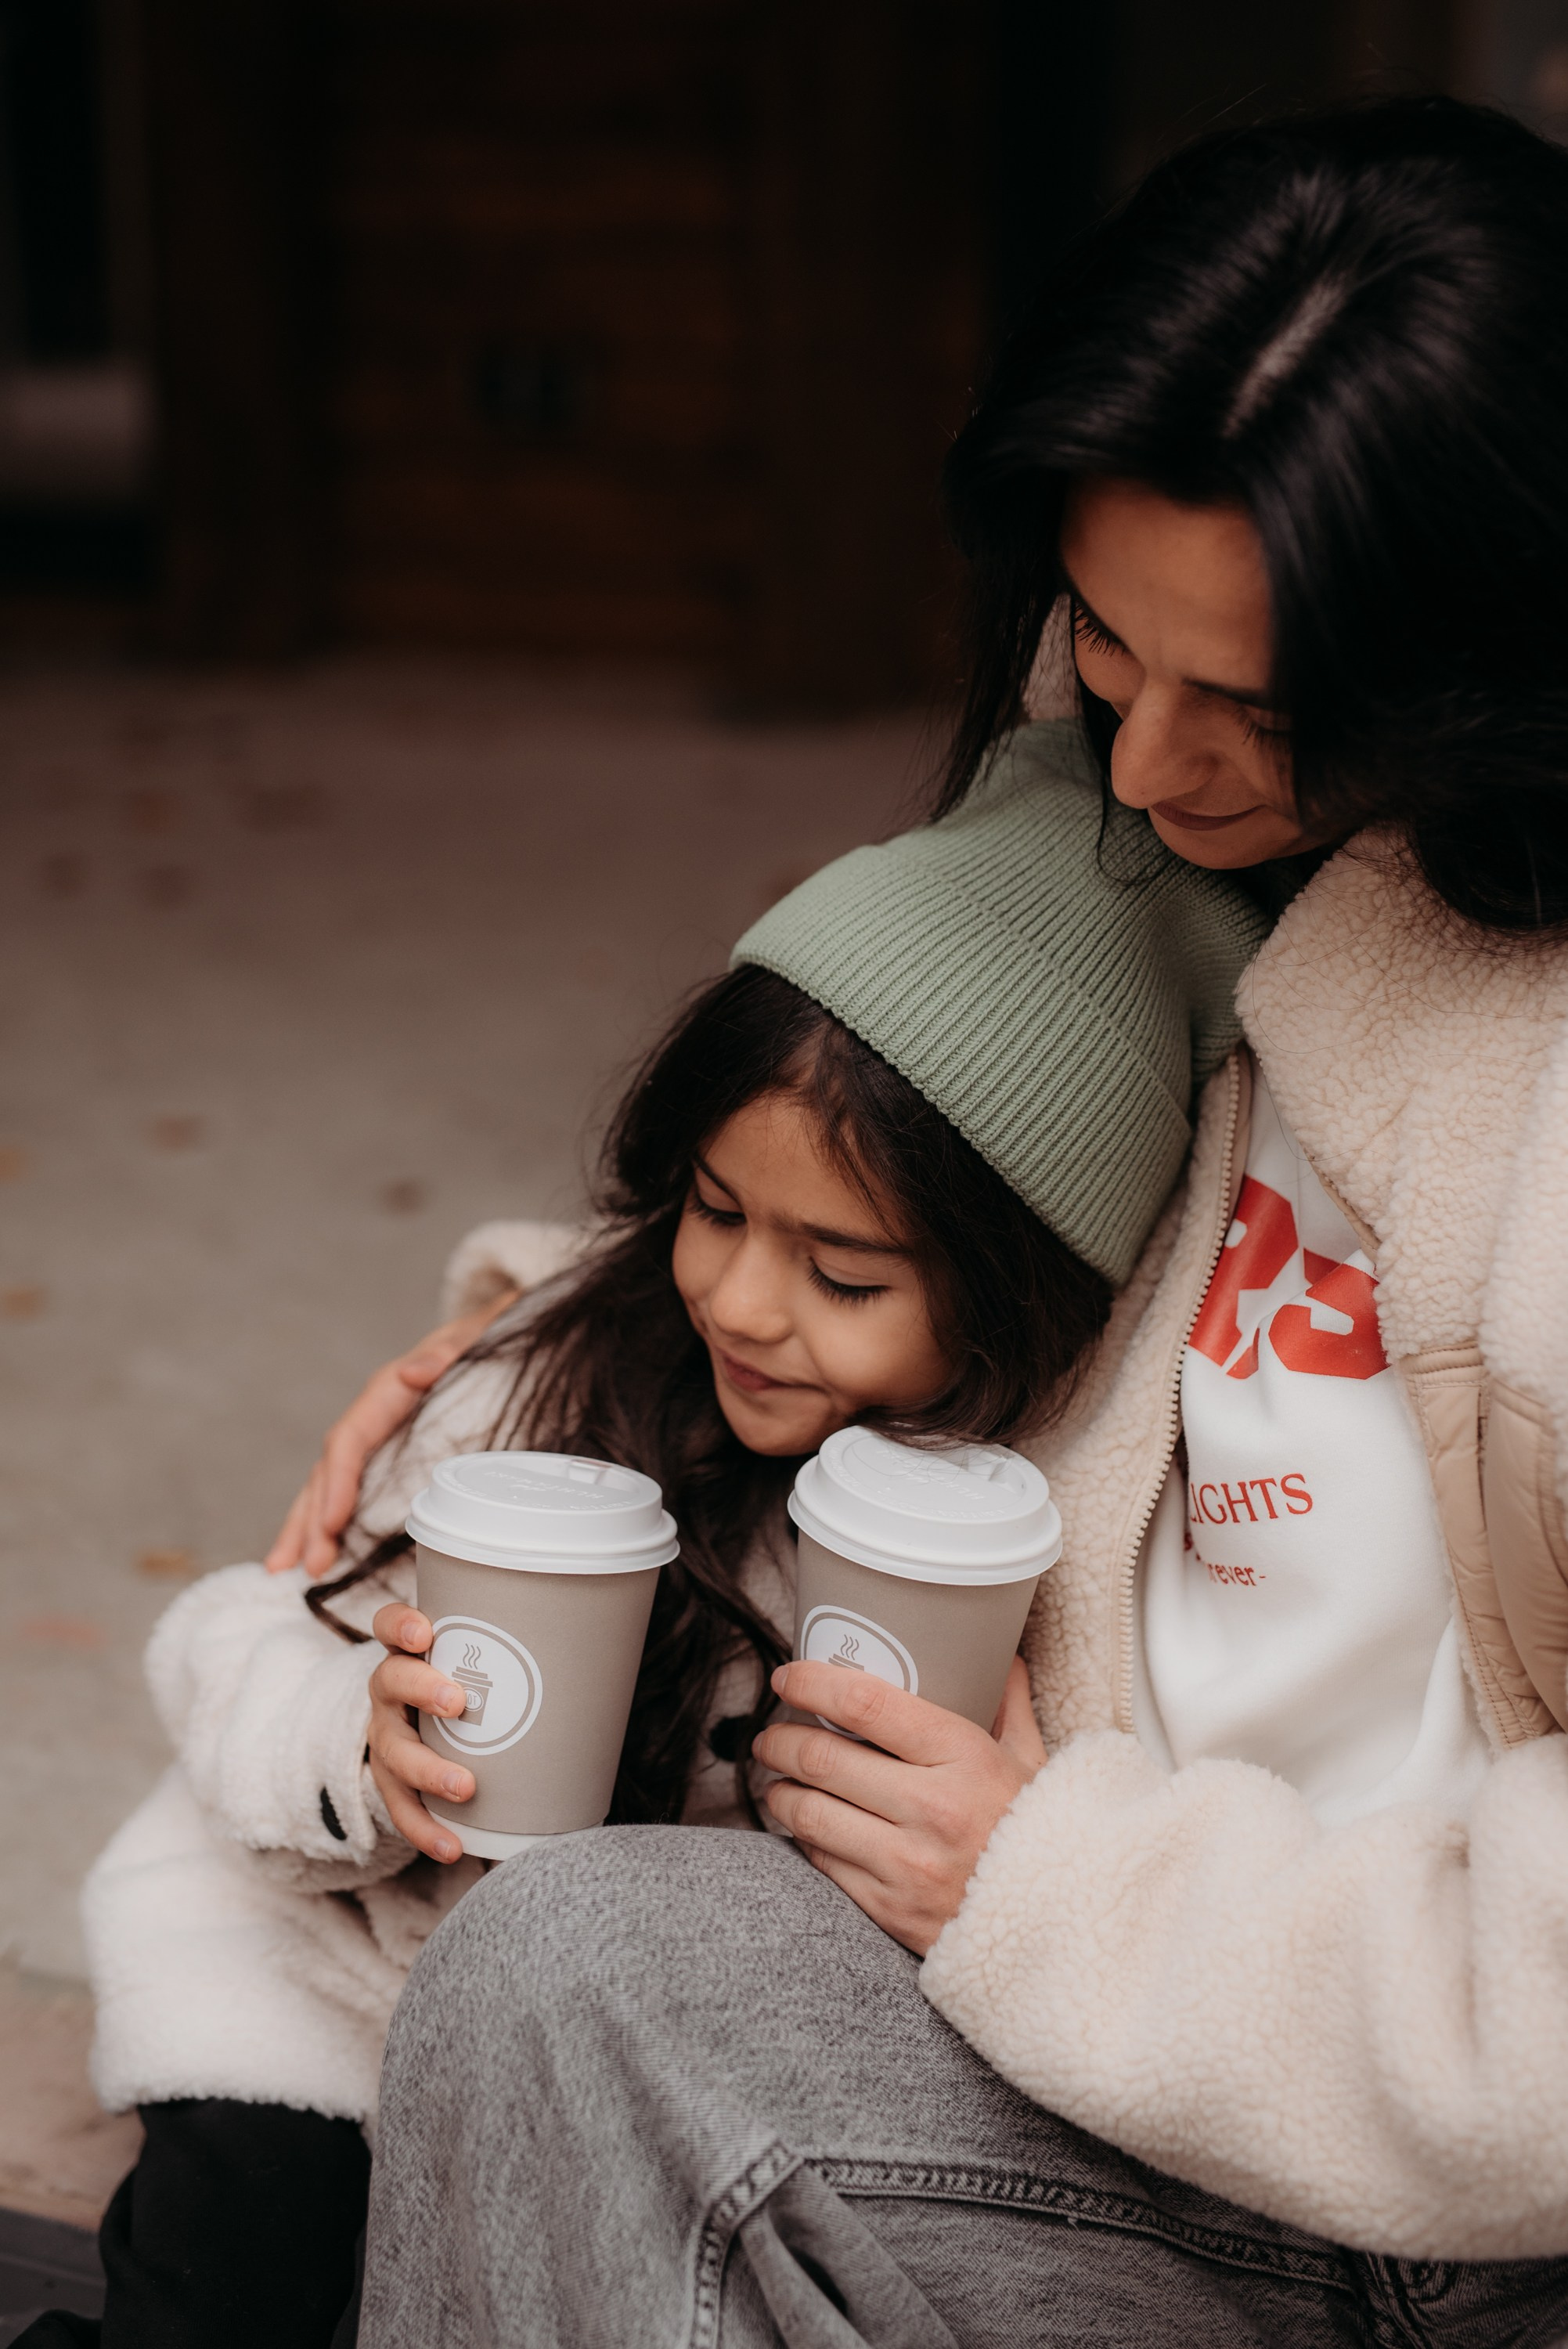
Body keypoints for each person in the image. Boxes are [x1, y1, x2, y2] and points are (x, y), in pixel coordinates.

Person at [341, 97, 1568, 2349]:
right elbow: (891, 1143)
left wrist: (1059, 1887)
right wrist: (526, 1365)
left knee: (556, 2018)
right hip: (1068, 2047)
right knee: (515, 1974)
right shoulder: (1150, 847)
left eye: (1262, 712)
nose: (1138, 774)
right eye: (1103, 643)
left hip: (1439, 2185)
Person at [27, 738, 1262, 2349]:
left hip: (595, 2055)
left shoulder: (980, 1537)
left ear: (1015, 1292)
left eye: (845, 1273)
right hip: (320, 1971)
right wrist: (361, 1743)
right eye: (716, 1210)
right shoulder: (556, 1373)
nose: (747, 1304)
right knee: (231, 2265)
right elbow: (232, 1641)